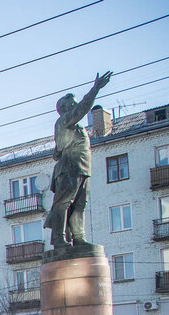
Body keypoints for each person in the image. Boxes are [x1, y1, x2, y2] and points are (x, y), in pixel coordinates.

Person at [44, 71, 111, 249]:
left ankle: (78, 237)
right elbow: (82, 108)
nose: (76, 105)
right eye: (72, 103)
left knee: (80, 204)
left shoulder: (76, 126)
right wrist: (95, 89)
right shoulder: (64, 121)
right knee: (64, 203)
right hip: (69, 167)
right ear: (65, 108)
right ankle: (59, 238)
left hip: (82, 167)